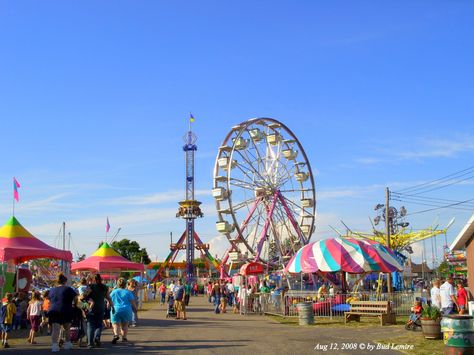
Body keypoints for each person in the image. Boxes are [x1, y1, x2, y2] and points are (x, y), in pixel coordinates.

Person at [47, 273, 77, 352]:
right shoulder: (68, 289)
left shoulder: (52, 290)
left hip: (53, 310)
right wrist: (74, 304)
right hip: (66, 309)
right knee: (67, 328)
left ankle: (54, 346)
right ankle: (67, 344)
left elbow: (49, 299)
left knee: (55, 329)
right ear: (65, 281)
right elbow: (76, 298)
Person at [83, 273, 113, 349]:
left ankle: (90, 344)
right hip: (101, 308)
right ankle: (97, 337)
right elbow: (109, 298)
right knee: (99, 325)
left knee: (90, 325)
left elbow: (84, 296)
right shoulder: (104, 287)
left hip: (91, 308)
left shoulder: (90, 287)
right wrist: (113, 307)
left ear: (93, 279)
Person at [110, 277, 137, 344]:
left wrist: (108, 306)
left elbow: (109, 301)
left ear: (117, 284)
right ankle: (124, 338)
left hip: (115, 309)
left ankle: (116, 335)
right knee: (125, 325)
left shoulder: (114, 292)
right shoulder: (128, 292)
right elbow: (132, 302)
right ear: (125, 284)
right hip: (126, 310)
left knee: (116, 324)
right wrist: (135, 309)